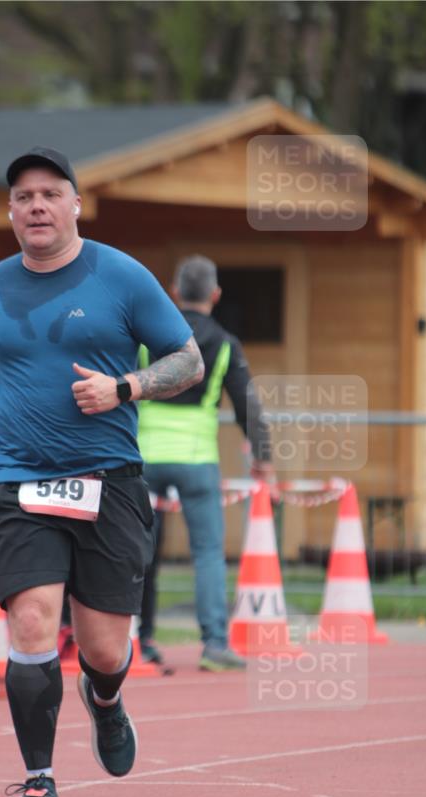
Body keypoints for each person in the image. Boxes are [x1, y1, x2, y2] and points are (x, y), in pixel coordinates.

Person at [0, 146, 203, 797]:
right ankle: (37, 784)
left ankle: (105, 701)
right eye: (23, 196)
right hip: (17, 480)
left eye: (50, 193)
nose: (36, 206)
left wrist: (126, 387)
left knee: (106, 650)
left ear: (74, 204)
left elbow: (188, 360)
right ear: (10, 212)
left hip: (106, 482)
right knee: (30, 624)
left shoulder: (121, 275)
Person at [138, 254, 275, 672]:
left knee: (140, 554)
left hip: (143, 461)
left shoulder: (147, 340)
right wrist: (263, 457)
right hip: (197, 461)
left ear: (174, 292)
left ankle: (139, 642)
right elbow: (247, 406)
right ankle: (214, 644)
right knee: (209, 554)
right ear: (215, 295)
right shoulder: (226, 344)